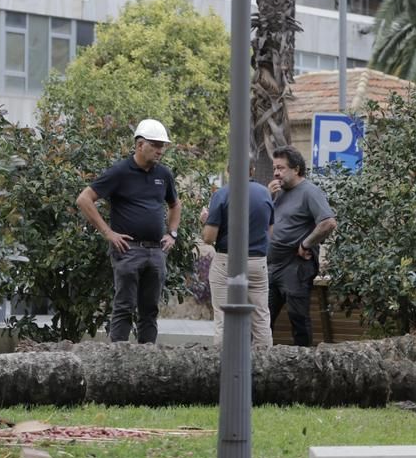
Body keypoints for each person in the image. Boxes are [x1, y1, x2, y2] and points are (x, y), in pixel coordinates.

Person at [76, 119, 182, 344]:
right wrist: (108, 233)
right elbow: (84, 199)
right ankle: (117, 358)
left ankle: (146, 357)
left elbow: (175, 205)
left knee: (150, 310)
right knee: (124, 307)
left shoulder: (163, 174)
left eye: (162, 146)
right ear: (140, 144)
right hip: (128, 251)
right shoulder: (120, 172)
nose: (160, 150)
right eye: (155, 145)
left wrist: (172, 233)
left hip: (156, 251)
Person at [267, 146, 338, 347]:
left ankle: (304, 359)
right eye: (275, 168)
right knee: (263, 318)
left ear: (296, 169)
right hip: (272, 265)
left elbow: (328, 222)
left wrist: (306, 243)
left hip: (295, 265)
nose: (276, 173)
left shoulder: (309, 192)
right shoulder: (277, 193)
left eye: (281, 168)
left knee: (298, 318)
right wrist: (267, 197)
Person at [201, 159, 274, 349]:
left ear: (228, 171)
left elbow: (208, 237)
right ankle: (265, 360)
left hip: (227, 261)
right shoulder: (265, 193)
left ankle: (223, 361)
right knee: (261, 317)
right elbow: (270, 231)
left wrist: (206, 221)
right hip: (258, 261)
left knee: (223, 318)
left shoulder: (222, 194)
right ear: (252, 170)